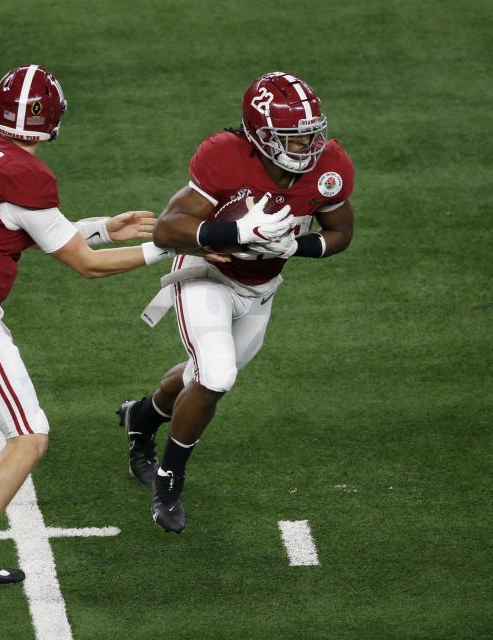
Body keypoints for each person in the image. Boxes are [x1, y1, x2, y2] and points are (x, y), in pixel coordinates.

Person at [0, 64, 173, 583]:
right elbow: (83, 265)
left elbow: (17, 222)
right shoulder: (27, 174)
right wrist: (162, 247)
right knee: (29, 434)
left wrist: (103, 229)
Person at [118, 71, 355, 533]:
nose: (307, 145)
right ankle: (169, 480)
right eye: (293, 137)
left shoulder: (330, 165)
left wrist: (294, 248)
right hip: (206, 274)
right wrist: (235, 233)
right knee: (217, 376)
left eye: (310, 134)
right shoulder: (225, 155)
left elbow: (341, 232)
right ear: (259, 134)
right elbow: (168, 228)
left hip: (261, 289)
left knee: (197, 378)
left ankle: (140, 416)